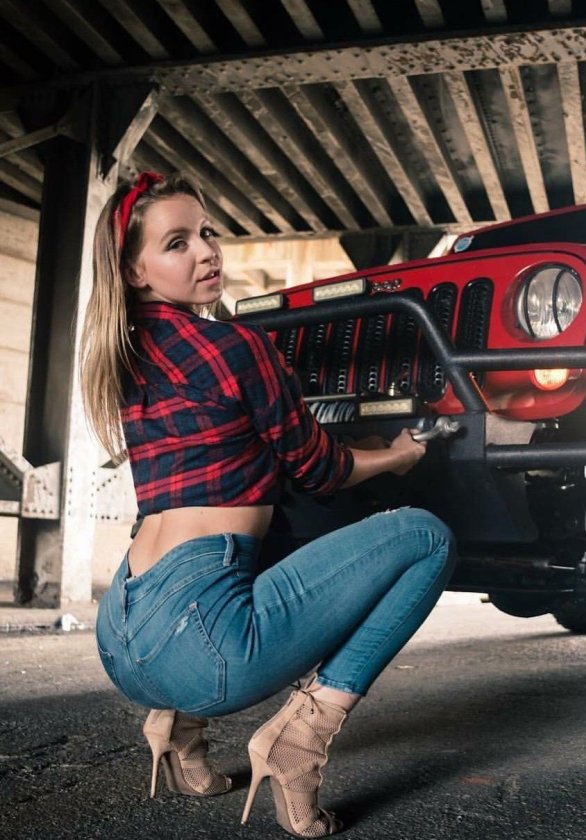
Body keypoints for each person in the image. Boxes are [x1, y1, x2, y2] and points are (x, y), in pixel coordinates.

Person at [80, 170, 456, 837]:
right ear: (135, 271)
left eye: (207, 232)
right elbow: (320, 469)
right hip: (204, 648)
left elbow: (226, 467)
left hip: (121, 632)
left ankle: (177, 729)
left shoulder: (125, 356)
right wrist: (397, 454)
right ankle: (299, 741)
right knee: (427, 537)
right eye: (176, 243)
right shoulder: (236, 347)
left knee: (269, 529)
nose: (206, 252)